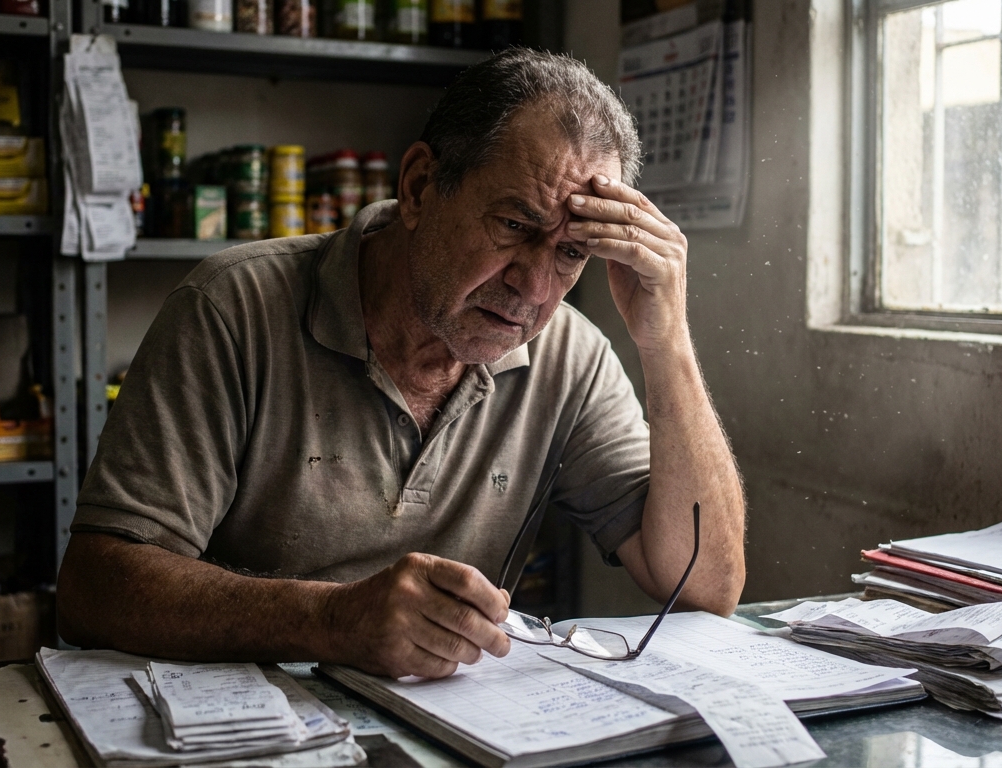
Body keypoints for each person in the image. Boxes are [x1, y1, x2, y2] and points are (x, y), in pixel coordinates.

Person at [56, 48, 746, 680]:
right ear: (419, 186)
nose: (535, 289)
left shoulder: (570, 356)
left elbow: (706, 586)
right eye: (513, 227)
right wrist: (329, 620)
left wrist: (667, 342)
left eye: (571, 254)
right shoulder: (231, 307)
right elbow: (95, 585)